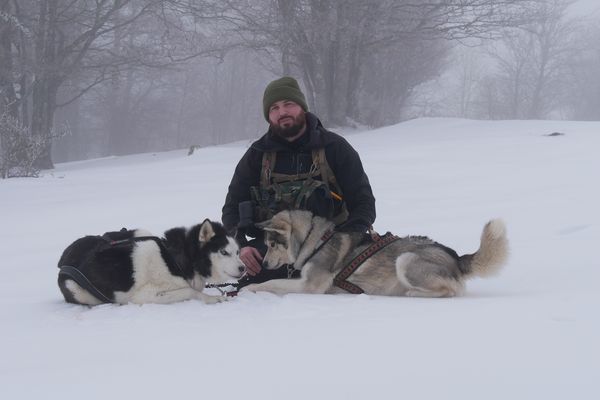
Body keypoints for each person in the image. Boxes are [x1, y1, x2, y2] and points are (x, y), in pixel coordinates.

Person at [221, 76, 376, 284]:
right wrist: (241, 246)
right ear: (268, 116)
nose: (282, 112)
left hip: (331, 246)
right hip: (273, 250)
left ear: (302, 107)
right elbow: (231, 209)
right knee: (252, 281)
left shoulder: (335, 148)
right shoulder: (257, 155)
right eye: (274, 108)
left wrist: (343, 243)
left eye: (288, 104)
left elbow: (364, 204)